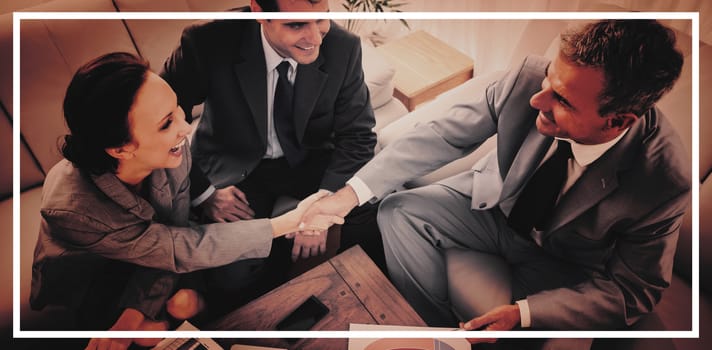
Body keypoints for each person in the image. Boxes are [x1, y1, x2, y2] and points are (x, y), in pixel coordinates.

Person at [300, 19, 690, 344]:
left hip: (561, 260)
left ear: (618, 121)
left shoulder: (664, 181)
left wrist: (524, 313)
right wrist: (349, 194)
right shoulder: (528, 79)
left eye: (564, 101)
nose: (538, 101)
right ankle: (436, 332)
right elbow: (444, 134)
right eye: (549, 81)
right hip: (491, 207)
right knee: (396, 209)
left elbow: (634, 289)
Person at [30, 52, 341, 350]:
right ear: (120, 149)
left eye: (178, 109)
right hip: (99, 280)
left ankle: (184, 313)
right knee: (166, 315)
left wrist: (138, 315)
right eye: (166, 123)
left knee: (200, 294)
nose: (186, 127)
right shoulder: (73, 210)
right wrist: (290, 221)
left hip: (161, 254)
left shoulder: (174, 153)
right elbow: (177, 248)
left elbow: (173, 237)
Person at [160, 0, 383, 297]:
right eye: (296, 25)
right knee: (231, 278)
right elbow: (159, 126)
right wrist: (205, 192)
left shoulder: (344, 48)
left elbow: (358, 136)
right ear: (259, 14)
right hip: (234, 168)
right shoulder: (206, 41)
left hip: (312, 163)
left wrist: (325, 206)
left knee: (374, 225)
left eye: (322, 19)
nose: (316, 39)